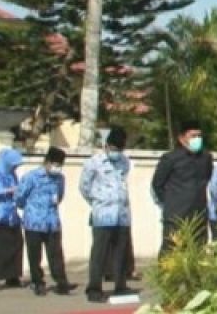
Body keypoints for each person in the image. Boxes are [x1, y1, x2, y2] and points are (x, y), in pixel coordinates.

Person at [80, 127, 132, 303]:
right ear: (107, 145)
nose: (116, 152)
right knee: (99, 254)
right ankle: (94, 289)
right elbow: (84, 187)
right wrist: (98, 203)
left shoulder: (125, 162)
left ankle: (120, 285)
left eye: (120, 149)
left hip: (122, 215)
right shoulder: (94, 162)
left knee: (120, 254)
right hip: (103, 215)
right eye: (114, 148)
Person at [16, 147, 75, 296]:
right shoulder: (31, 177)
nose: (57, 168)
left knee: (56, 254)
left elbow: (60, 196)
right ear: (47, 162)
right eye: (55, 164)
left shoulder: (60, 178)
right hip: (33, 223)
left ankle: (61, 282)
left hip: (52, 222)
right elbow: (19, 198)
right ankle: (38, 282)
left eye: (60, 165)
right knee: (35, 255)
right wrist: (31, 208)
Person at [151, 121, 214, 257]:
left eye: (199, 136)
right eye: (193, 136)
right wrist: (171, 203)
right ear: (181, 138)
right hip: (176, 216)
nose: (197, 139)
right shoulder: (171, 158)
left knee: (197, 253)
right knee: (171, 253)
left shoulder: (206, 158)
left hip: (198, 216)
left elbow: (207, 178)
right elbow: (157, 185)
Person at [0, 147, 24, 291]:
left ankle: (12, 276)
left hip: (12, 216)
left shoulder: (12, 174)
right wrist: (7, 191)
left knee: (15, 244)